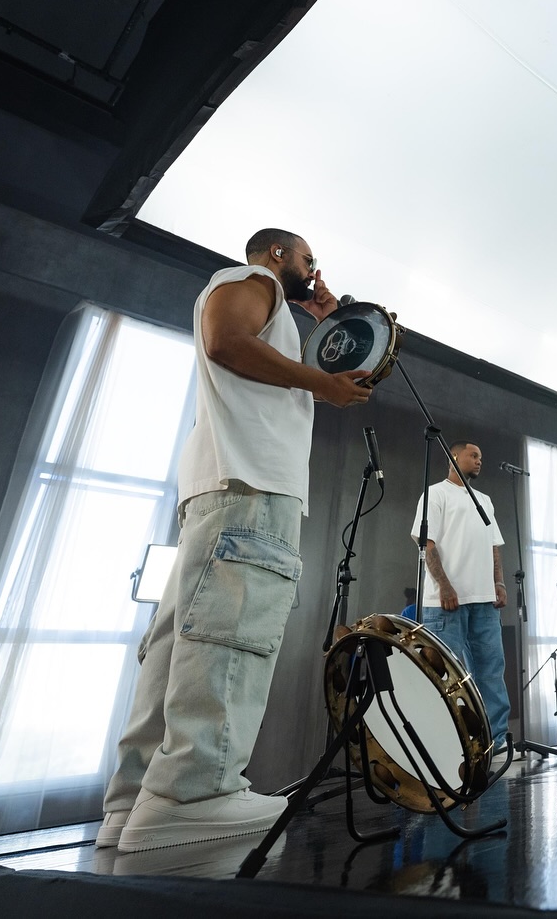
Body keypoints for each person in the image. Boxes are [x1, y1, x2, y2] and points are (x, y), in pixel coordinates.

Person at [99, 228, 374, 852]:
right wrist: (321, 384)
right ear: (277, 254)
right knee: (230, 631)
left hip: (221, 487)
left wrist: (325, 325)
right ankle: (194, 793)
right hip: (253, 484)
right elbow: (225, 341)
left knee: (180, 644)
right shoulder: (251, 280)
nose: (314, 270)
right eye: (308, 258)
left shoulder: (271, 305)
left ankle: (135, 802)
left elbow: (254, 351)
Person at [411, 440, 512, 748]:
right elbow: (426, 543)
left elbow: (493, 546)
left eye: (481, 456)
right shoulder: (435, 493)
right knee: (446, 676)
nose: (479, 460)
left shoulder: (485, 500)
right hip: (446, 603)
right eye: (473, 455)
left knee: (491, 673)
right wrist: (444, 584)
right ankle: (449, 745)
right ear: (453, 456)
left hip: (484, 602)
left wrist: (499, 583)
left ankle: (495, 742)